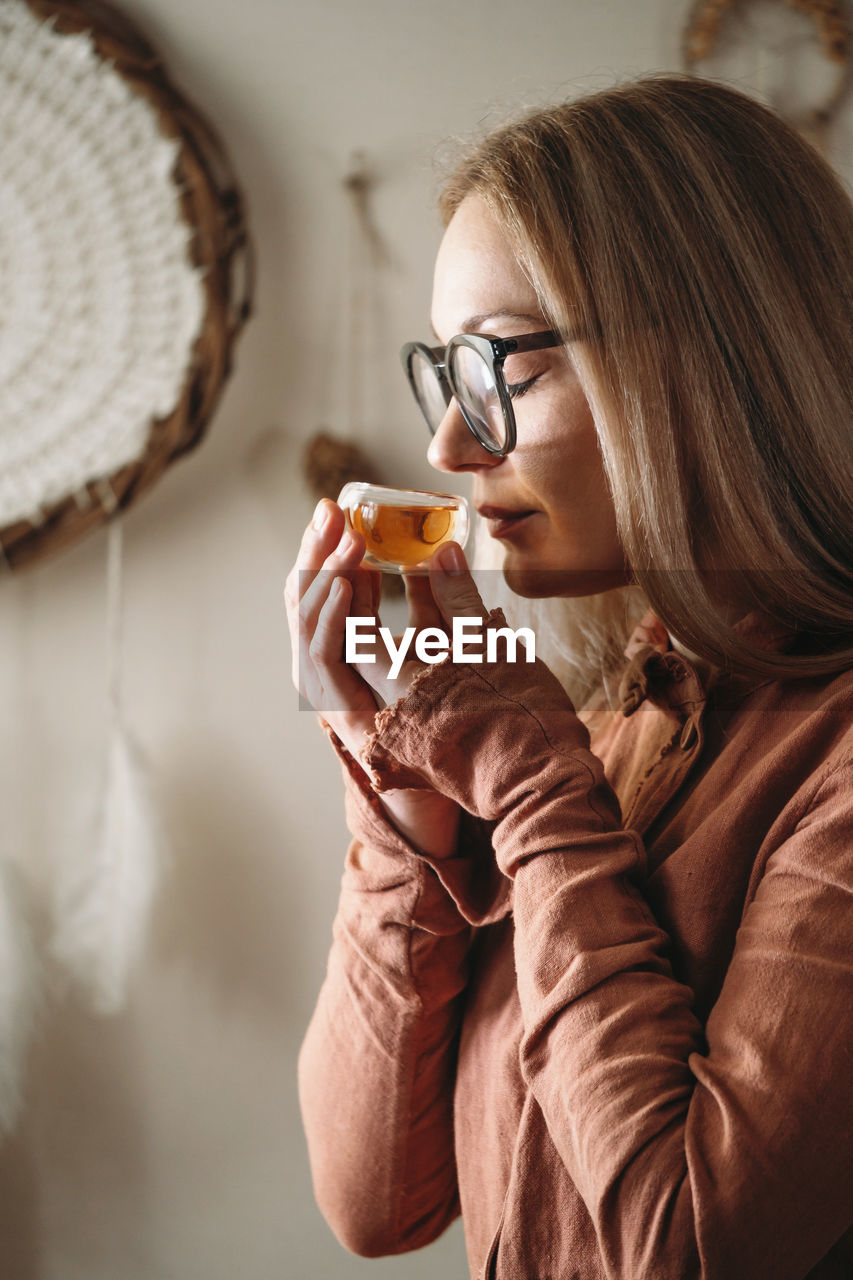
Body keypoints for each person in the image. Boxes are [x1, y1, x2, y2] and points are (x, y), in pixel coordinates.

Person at [286, 74, 853, 1280]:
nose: (448, 445)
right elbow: (372, 1201)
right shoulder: (618, 718)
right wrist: (406, 817)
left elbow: (687, 1245)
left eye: (501, 368)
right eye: (443, 374)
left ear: (712, 356)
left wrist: (531, 782)